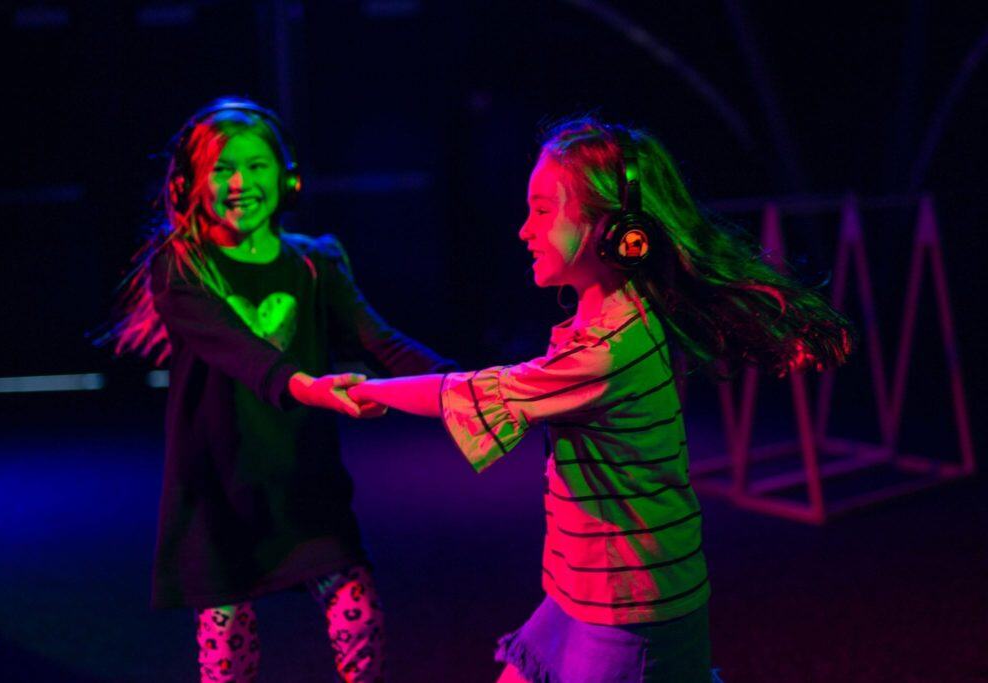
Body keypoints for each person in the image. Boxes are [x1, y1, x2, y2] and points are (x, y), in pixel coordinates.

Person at [347, 117, 852, 682]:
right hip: (583, 587)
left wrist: (367, 389)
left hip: (630, 605)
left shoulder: (610, 347)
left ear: (612, 230)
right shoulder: (608, 318)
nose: (523, 230)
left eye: (542, 211)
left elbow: (472, 393)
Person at [105, 97, 455, 682]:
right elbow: (241, 353)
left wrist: (468, 387)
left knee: (358, 623)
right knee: (226, 654)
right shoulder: (181, 267)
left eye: (257, 165)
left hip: (303, 484)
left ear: (286, 176)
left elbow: (382, 341)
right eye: (222, 169)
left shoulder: (318, 262)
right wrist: (312, 388)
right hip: (220, 493)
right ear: (192, 182)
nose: (241, 182)